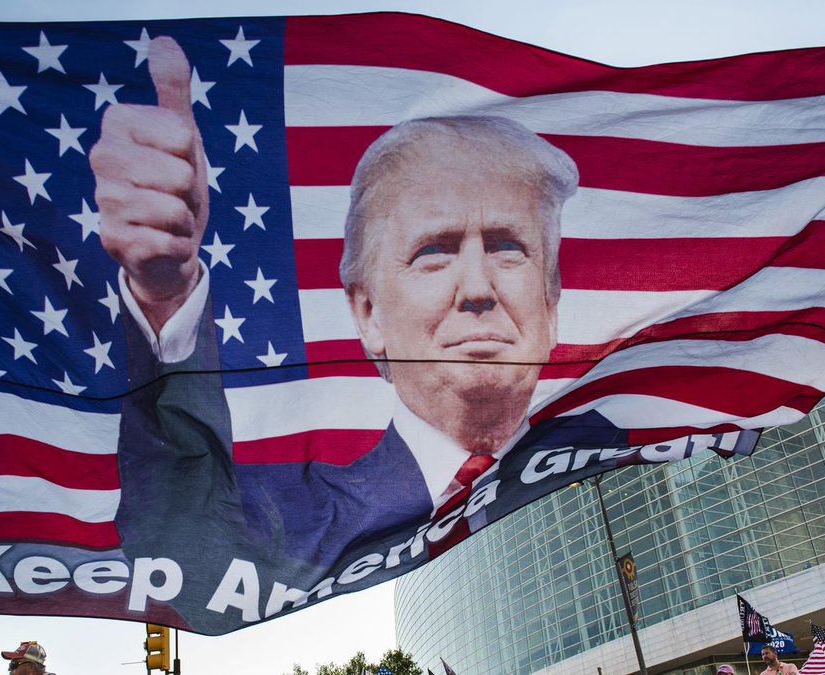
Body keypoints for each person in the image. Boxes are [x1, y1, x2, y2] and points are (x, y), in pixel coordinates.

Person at [92, 37, 606, 570]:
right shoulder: (302, 506)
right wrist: (163, 295)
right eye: (434, 252)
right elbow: (178, 544)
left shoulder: (636, 444)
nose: (477, 288)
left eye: (507, 248)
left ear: (550, 300)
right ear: (368, 313)